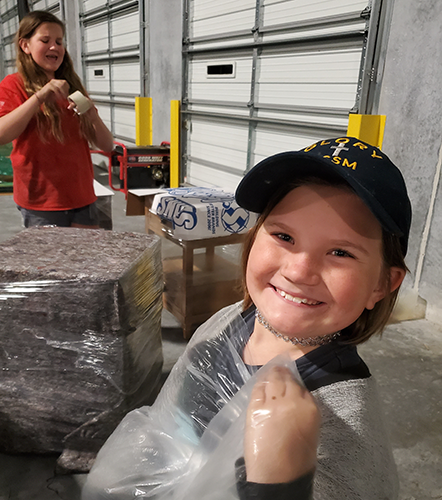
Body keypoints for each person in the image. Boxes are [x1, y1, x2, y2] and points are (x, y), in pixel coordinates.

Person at [82, 136, 411, 500]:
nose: (300, 271)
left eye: (340, 252)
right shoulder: (225, 324)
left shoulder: (347, 422)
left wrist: (283, 484)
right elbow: (170, 425)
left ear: (383, 283)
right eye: (284, 235)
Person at [0, 10, 113, 228]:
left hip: (82, 198)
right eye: (45, 40)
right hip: (42, 203)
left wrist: (90, 112)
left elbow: (106, 144)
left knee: (85, 262)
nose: (55, 47)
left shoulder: (72, 88)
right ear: (25, 45)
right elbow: (0, 135)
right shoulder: (14, 85)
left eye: (59, 41)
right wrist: (40, 96)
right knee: (51, 263)